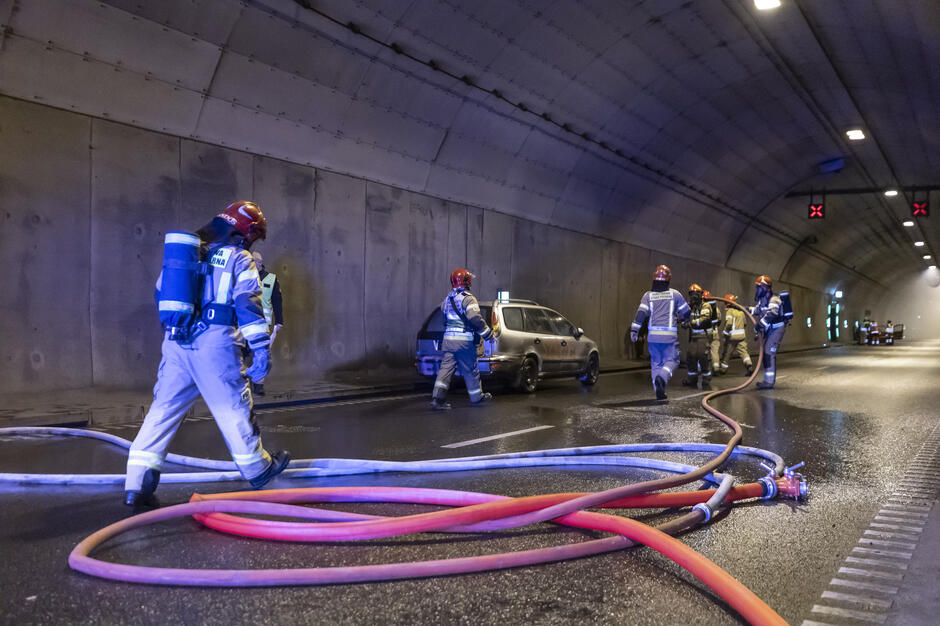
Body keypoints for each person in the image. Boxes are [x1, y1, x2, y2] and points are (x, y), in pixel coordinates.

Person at [124, 201, 291, 509]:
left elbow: (161, 292)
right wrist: (260, 350)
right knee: (232, 406)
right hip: (216, 344)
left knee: (163, 410)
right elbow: (247, 306)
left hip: (176, 343)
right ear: (244, 232)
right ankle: (257, 469)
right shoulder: (239, 258)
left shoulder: (184, 258)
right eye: (253, 236)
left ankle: (137, 483)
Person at [430, 268, 494, 410]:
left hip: (448, 341)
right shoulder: (468, 298)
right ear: (466, 281)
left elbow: (443, 320)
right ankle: (476, 398)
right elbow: (474, 318)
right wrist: (487, 334)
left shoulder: (447, 300)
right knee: (471, 369)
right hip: (464, 342)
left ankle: (437, 399)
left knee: (445, 371)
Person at [630, 265, 691, 400]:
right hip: (669, 337)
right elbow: (686, 313)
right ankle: (662, 378)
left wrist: (635, 330)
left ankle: (659, 390)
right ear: (668, 280)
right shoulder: (675, 294)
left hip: (653, 337)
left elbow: (641, 314)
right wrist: (684, 318)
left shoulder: (648, 296)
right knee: (673, 360)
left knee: (656, 363)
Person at [249, 251, 284, 397]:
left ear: (260, 262)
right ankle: (246, 383)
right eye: (252, 261)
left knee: (262, 355)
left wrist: (279, 321)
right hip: (248, 322)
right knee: (246, 355)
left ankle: (258, 384)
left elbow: (277, 300)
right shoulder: (246, 276)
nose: (254, 264)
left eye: (256, 262)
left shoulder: (271, 278)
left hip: (264, 324)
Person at [751, 275, 786, 390]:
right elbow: (757, 310)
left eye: (759, 287)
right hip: (770, 330)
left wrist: (760, 325)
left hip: (777, 329)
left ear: (766, 287)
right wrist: (744, 309)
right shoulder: (763, 301)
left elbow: (772, 314)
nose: (757, 290)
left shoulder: (774, 299)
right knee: (766, 353)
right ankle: (767, 381)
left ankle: (769, 382)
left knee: (769, 353)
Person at [682, 284, 713, 390]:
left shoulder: (705, 306)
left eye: (696, 294)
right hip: (694, 337)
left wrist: (690, 323)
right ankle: (692, 378)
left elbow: (704, 319)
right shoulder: (692, 306)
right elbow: (684, 317)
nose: (694, 297)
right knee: (691, 357)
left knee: (702, 357)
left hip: (703, 336)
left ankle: (706, 378)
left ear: (700, 294)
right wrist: (683, 321)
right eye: (692, 294)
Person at [718, 293, 753, 376]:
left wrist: (725, 333)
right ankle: (749, 366)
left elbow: (729, 324)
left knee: (727, 353)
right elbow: (745, 323)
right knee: (744, 352)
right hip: (741, 336)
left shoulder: (729, 311)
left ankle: (723, 369)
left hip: (732, 337)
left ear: (727, 304)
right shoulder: (741, 311)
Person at [703, 289, 721, 376]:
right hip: (715, 332)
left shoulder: (703, 308)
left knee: (704, 351)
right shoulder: (716, 309)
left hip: (706, 333)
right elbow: (719, 320)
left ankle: (702, 370)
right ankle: (716, 368)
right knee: (715, 351)